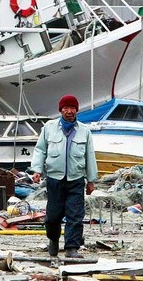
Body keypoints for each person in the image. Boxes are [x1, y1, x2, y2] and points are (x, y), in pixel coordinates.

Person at [29, 94, 98, 258]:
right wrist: (37, 170)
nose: (69, 111)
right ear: (61, 110)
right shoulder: (49, 128)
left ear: (76, 110)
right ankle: (53, 240)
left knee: (75, 215)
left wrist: (91, 180)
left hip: (76, 179)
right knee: (53, 216)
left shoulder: (84, 131)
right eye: (66, 108)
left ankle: (71, 248)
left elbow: (90, 155)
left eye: (72, 108)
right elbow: (40, 150)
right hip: (55, 179)